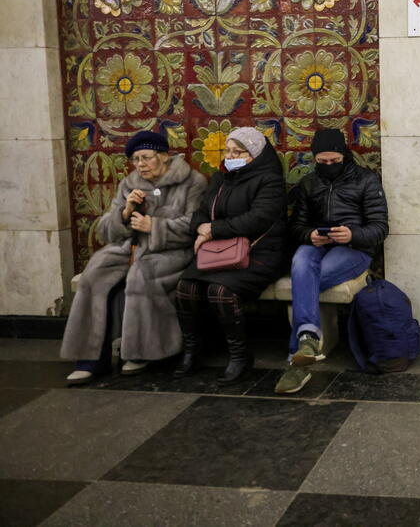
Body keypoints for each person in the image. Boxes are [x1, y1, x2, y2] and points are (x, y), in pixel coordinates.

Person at [61, 131, 207, 384]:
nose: (140, 164)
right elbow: (106, 230)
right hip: (129, 248)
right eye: (136, 159)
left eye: (146, 157)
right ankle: (89, 358)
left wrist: (155, 227)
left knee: (141, 275)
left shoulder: (193, 182)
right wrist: (125, 211)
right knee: (93, 275)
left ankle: (140, 352)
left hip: (171, 252)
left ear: (163, 156)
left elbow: (195, 225)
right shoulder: (130, 183)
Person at [275, 128, 389, 394]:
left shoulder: (366, 180)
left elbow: (381, 228)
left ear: (344, 155)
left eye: (334, 162)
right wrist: (309, 234)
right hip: (319, 246)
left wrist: (352, 234)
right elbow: (296, 226)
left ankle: (297, 361)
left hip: (354, 250)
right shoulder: (309, 183)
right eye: (322, 162)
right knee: (302, 258)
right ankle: (308, 340)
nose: (328, 166)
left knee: (306, 279)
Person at [173, 127, 288, 383]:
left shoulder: (269, 180)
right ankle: (193, 350)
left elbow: (257, 219)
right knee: (185, 288)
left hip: (260, 253)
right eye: (228, 150)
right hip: (219, 253)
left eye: (240, 151)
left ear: (255, 154)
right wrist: (201, 228)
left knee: (220, 292)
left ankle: (240, 356)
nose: (231, 155)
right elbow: (202, 211)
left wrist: (212, 231)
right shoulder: (221, 178)